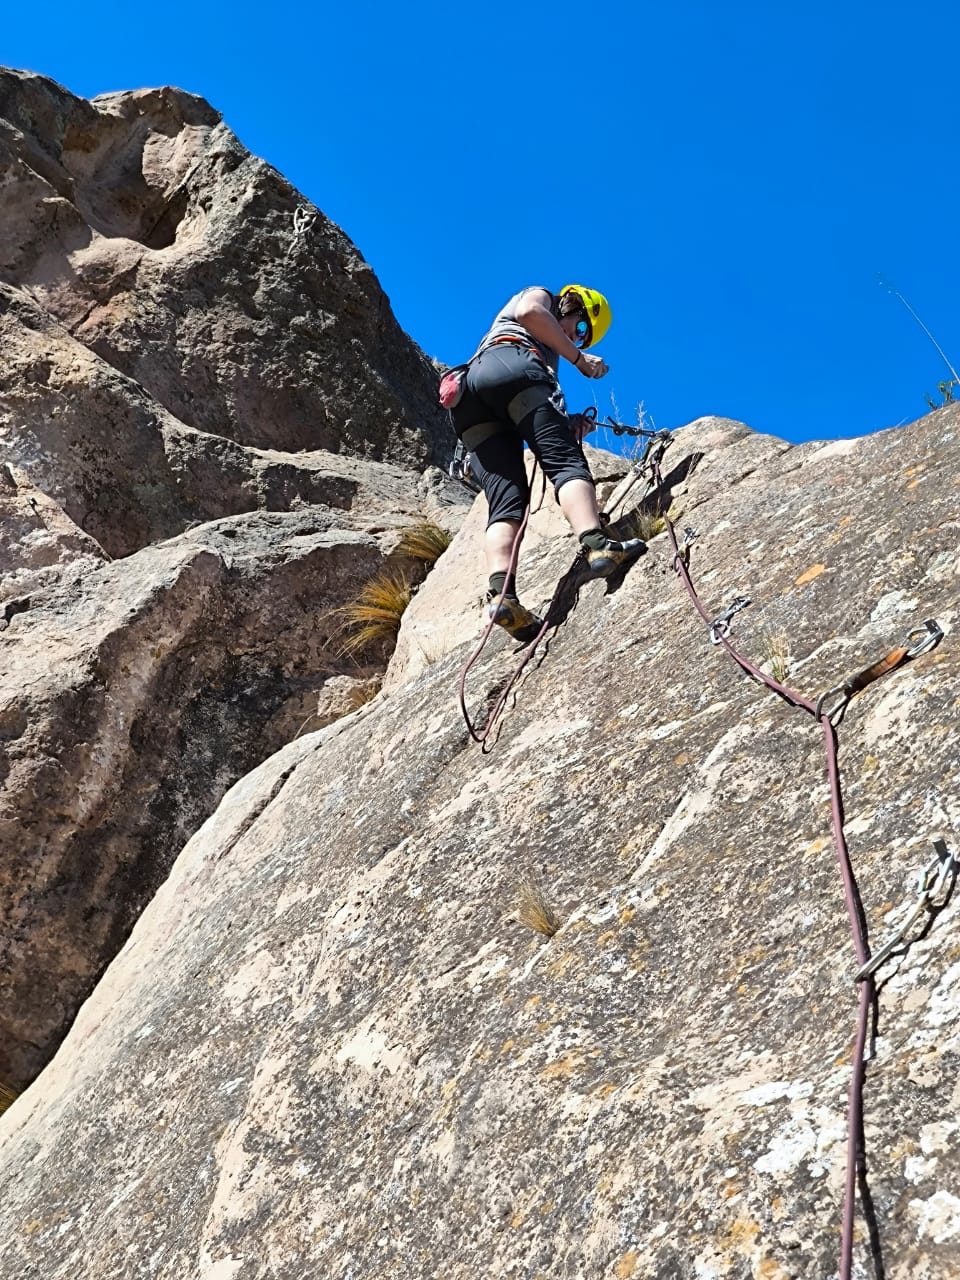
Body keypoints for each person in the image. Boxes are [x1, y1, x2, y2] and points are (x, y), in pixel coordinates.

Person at [449, 284, 645, 643]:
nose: (576, 337)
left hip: (469, 397)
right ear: (577, 306)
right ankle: (598, 543)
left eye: (583, 339)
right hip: (510, 365)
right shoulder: (543, 297)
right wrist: (580, 360)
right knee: (566, 463)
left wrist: (567, 423)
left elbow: (524, 409)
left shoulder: (545, 347)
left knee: (507, 503)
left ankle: (502, 596)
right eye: (581, 329)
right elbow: (530, 314)